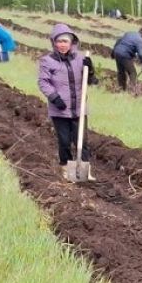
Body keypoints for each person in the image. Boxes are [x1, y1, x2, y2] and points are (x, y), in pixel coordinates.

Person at [37, 24, 99, 178]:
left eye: (65, 41)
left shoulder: (81, 59)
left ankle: (84, 172)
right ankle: (66, 169)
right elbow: (43, 82)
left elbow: (91, 81)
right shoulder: (47, 61)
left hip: (79, 108)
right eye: (59, 42)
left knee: (81, 141)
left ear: (72, 43)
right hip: (59, 109)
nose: (62, 45)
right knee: (64, 141)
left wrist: (90, 69)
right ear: (54, 43)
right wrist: (54, 97)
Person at [111, 28, 142, 95]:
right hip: (125, 55)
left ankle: (121, 89)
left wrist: (113, 52)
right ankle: (131, 91)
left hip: (117, 52)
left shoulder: (129, 33)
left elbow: (118, 41)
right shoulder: (139, 40)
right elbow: (141, 54)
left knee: (121, 72)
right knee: (132, 73)